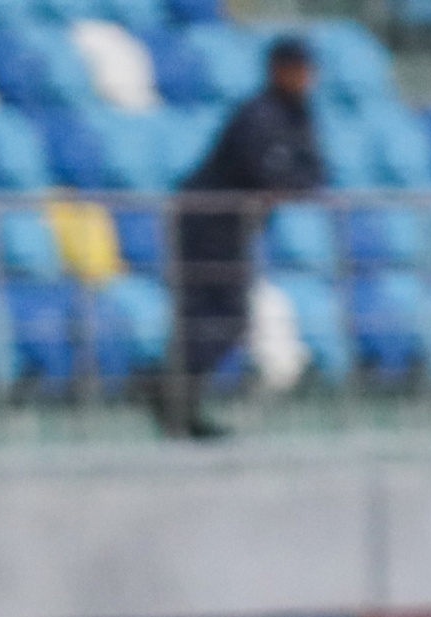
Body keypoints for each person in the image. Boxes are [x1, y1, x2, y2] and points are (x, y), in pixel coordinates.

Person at [163, 36, 325, 439]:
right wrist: (290, 182)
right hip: (205, 223)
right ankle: (172, 398)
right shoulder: (259, 115)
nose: (305, 78)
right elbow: (269, 174)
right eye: (297, 69)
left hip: (234, 227)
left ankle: (176, 400)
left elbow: (316, 172)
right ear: (278, 70)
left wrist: (292, 182)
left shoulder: (296, 113)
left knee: (225, 317)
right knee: (209, 316)